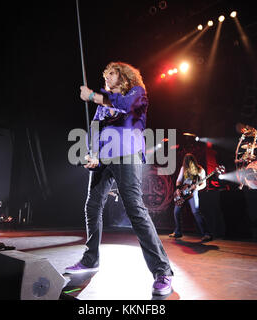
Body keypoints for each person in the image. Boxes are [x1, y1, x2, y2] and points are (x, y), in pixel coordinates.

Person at [66, 62, 174, 296]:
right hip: (103, 159)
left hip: (127, 153)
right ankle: (90, 258)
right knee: (92, 206)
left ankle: (162, 271)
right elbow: (95, 128)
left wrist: (94, 95)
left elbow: (125, 106)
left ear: (124, 76)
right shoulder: (103, 99)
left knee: (135, 209)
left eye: (111, 74)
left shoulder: (136, 93)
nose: (106, 78)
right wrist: (92, 153)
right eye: (104, 75)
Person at [169, 153, 213, 242]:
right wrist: (178, 189)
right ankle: (178, 232)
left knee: (196, 212)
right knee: (176, 211)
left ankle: (206, 234)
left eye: (190, 160)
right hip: (183, 192)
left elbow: (203, 184)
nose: (188, 163)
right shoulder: (183, 168)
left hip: (193, 193)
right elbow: (178, 180)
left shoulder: (200, 170)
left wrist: (197, 187)